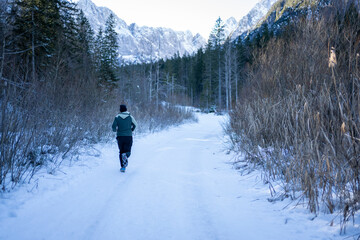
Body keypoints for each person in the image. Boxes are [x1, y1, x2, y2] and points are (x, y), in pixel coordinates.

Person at [112, 104, 137, 172]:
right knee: (127, 150)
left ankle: (123, 167)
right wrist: (132, 129)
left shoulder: (117, 117)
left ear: (120, 110)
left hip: (120, 136)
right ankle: (126, 155)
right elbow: (135, 124)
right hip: (128, 136)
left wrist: (116, 130)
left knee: (121, 151)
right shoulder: (130, 117)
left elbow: (113, 127)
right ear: (126, 109)